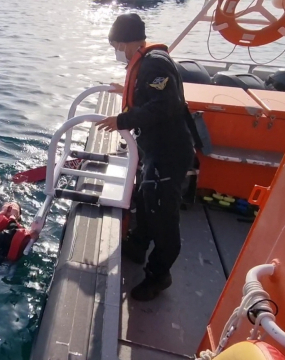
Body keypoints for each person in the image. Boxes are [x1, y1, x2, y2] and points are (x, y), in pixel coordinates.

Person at [95, 13, 196, 301]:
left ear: (124, 42)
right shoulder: (145, 63)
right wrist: (125, 91)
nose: (115, 50)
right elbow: (148, 96)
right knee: (145, 199)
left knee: (163, 213)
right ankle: (138, 245)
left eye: (115, 44)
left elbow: (165, 106)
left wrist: (122, 120)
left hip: (169, 152)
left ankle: (159, 275)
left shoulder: (155, 63)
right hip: (154, 149)